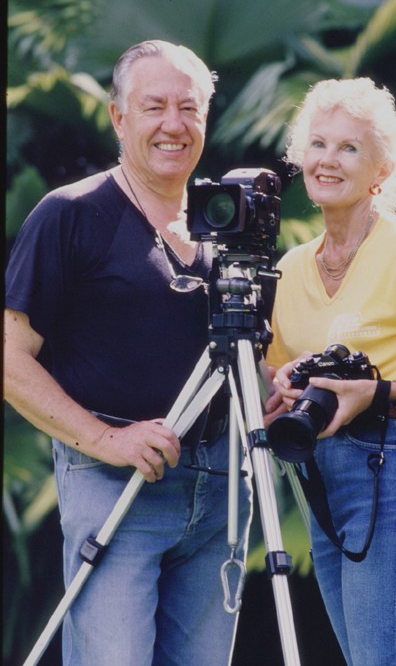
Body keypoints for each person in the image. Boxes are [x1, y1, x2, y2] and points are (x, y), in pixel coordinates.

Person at [4, 40, 252, 666]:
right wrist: (105, 441)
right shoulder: (71, 214)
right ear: (118, 117)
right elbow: (10, 358)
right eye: (154, 106)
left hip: (221, 492)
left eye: (189, 108)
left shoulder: (225, 229)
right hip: (115, 484)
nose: (174, 124)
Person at [264, 77, 396, 665]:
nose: (328, 160)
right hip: (315, 476)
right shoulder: (292, 265)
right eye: (318, 143)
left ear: (382, 169)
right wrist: (280, 386)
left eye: (349, 148)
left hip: (391, 461)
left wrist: (380, 392)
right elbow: (273, 366)